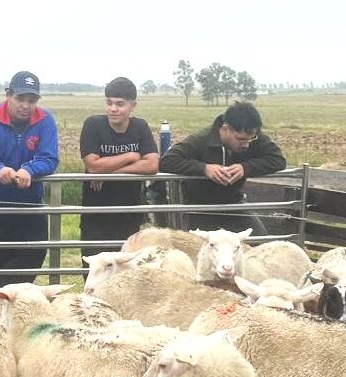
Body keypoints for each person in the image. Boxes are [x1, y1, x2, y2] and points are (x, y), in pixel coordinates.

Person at [0, 71, 59, 290]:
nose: (26, 105)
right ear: (8, 95)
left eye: (32, 100)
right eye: (20, 98)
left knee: (33, 256)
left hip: (29, 206)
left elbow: (49, 158)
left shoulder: (45, 120)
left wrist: (30, 169)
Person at [161, 101, 286, 235]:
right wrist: (204, 169)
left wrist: (245, 168)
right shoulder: (201, 140)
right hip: (200, 208)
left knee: (260, 241)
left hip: (234, 203)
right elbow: (167, 161)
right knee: (203, 245)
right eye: (241, 139)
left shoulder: (252, 136)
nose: (247, 145)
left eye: (250, 139)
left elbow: (278, 159)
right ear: (225, 128)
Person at [78, 77, 159, 258]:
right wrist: (130, 156)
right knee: (95, 266)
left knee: (127, 264)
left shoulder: (140, 127)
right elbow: (93, 166)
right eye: (109, 103)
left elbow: (152, 165)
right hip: (96, 213)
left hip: (129, 212)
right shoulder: (93, 125)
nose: (113, 109)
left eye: (120, 104)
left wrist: (109, 172)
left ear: (133, 105)